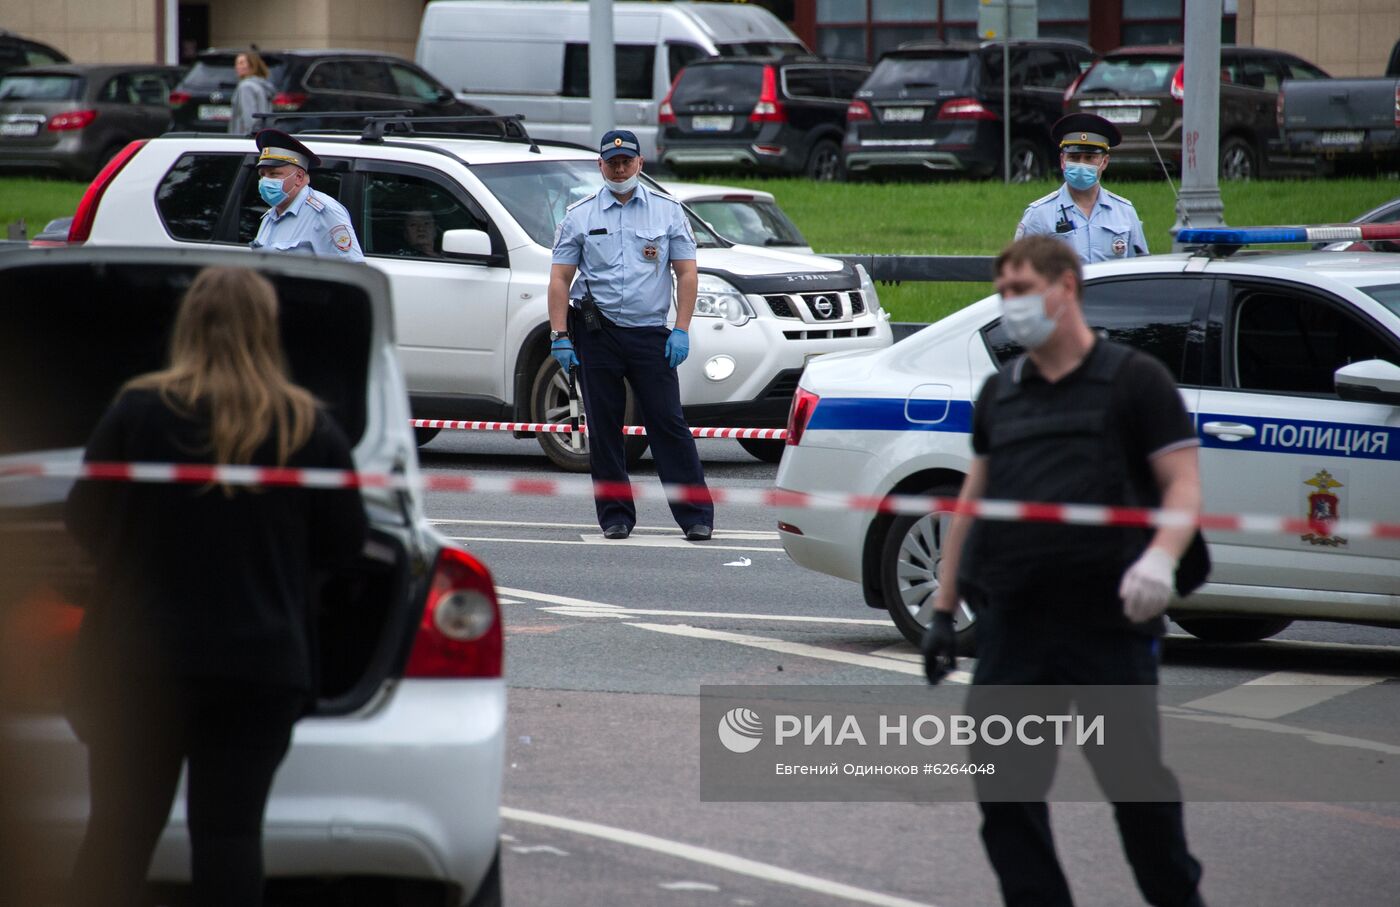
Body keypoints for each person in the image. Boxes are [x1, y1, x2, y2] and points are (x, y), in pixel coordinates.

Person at [64, 266, 369, 907]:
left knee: (117, 837)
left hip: (139, 662)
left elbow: (84, 520)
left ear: (189, 326)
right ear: (268, 330)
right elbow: (346, 545)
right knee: (229, 839)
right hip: (259, 667)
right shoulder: (306, 426)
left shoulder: (138, 411)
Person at [923, 235, 1207, 907]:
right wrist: (943, 608)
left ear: (1066, 288)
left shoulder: (1136, 379)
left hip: (1107, 623)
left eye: (1022, 290)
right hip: (1014, 624)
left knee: (1137, 793)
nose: (1010, 305)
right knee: (1006, 794)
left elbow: (1184, 488)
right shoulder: (1002, 391)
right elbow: (974, 499)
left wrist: (1161, 559)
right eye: (1004, 293)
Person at [548, 129, 714, 541]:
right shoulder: (580, 215)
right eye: (612, 162)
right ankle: (615, 515)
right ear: (599, 165)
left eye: (627, 162)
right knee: (604, 430)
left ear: (640, 163)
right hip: (597, 334)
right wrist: (559, 336)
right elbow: (559, 280)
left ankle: (695, 515)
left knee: (668, 424)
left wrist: (681, 328)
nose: (619, 169)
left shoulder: (667, 212)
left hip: (650, 335)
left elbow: (687, 273)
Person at [1015, 113, 1149, 264]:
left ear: (1104, 162)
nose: (1081, 164)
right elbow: (1021, 275)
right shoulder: (1039, 215)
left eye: (1089, 158)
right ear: (1062, 161)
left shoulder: (1125, 212)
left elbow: (1138, 271)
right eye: (1074, 157)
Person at [250, 128, 364, 262]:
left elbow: (353, 270)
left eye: (273, 174)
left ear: (299, 177)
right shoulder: (270, 216)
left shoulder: (324, 212)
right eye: (262, 175)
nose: (265, 181)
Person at [228, 50, 275, 135]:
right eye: (237, 63)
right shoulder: (262, 85)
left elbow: (250, 118)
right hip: (262, 135)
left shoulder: (246, 87)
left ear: (252, 65)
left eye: (242, 63)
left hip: (245, 139)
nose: (237, 66)